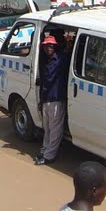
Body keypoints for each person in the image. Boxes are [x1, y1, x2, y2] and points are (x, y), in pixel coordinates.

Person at [35, 35, 69, 165]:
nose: (49, 48)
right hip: (46, 100)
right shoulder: (46, 61)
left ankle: (49, 155)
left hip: (56, 99)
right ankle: (44, 151)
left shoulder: (60, 59)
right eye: (46, 46)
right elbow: (44, 82)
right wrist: (41, 101)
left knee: (55, 130)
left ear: (55, 47)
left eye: (51, 46)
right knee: (47, 129)